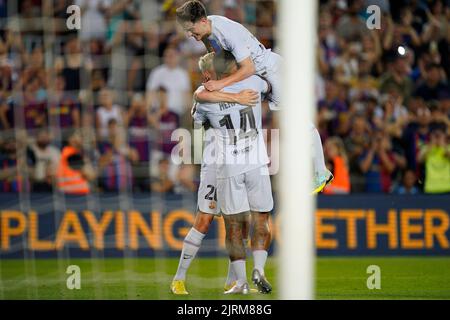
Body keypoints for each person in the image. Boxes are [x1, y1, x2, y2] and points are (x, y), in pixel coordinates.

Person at [175, 0, 333, 193]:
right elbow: (215, 52)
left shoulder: (226, 32)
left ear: (201, 21)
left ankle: (321, 172)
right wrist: (212, 75)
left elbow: (248, 68)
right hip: (259, 75)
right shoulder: (210, 28)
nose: (190, 35)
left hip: (272, 73)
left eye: (191, 29)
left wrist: (219, 84)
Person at [171, 53, 264, 295]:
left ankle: (233, 281)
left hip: (239, 163)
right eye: (218, 69)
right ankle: (178, 278)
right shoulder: (205, 95)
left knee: (240, 223)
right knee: (204, 220)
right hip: (215, 165)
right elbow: (199, 104)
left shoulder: (236, 84)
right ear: (208, 74)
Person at [192, 51, 274, 294]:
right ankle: (259, 269)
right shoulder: (254, 83)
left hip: (229, 167)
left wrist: (212, 94)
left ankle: (241, 282)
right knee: (262, 219)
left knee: (234, 227)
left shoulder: (206, 98)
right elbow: (271, 84)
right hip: (257, 162)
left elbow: (196, 121)